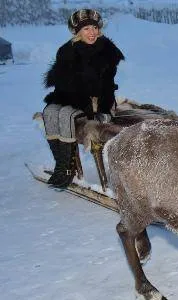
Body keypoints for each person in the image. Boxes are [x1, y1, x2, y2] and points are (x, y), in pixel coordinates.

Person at [42, 9, 124, 189]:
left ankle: (69, 169)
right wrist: (64, 95)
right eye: (86, 28)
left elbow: (108, 85)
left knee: (66, 115)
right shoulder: (66, 51)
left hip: (96, 100)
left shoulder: (107, 51)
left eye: (94, 27)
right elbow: (62, 82)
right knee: (49, 112)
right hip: (73, 96)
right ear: (77, 31)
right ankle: (61, 165)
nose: (92, 32)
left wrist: (103, 110)